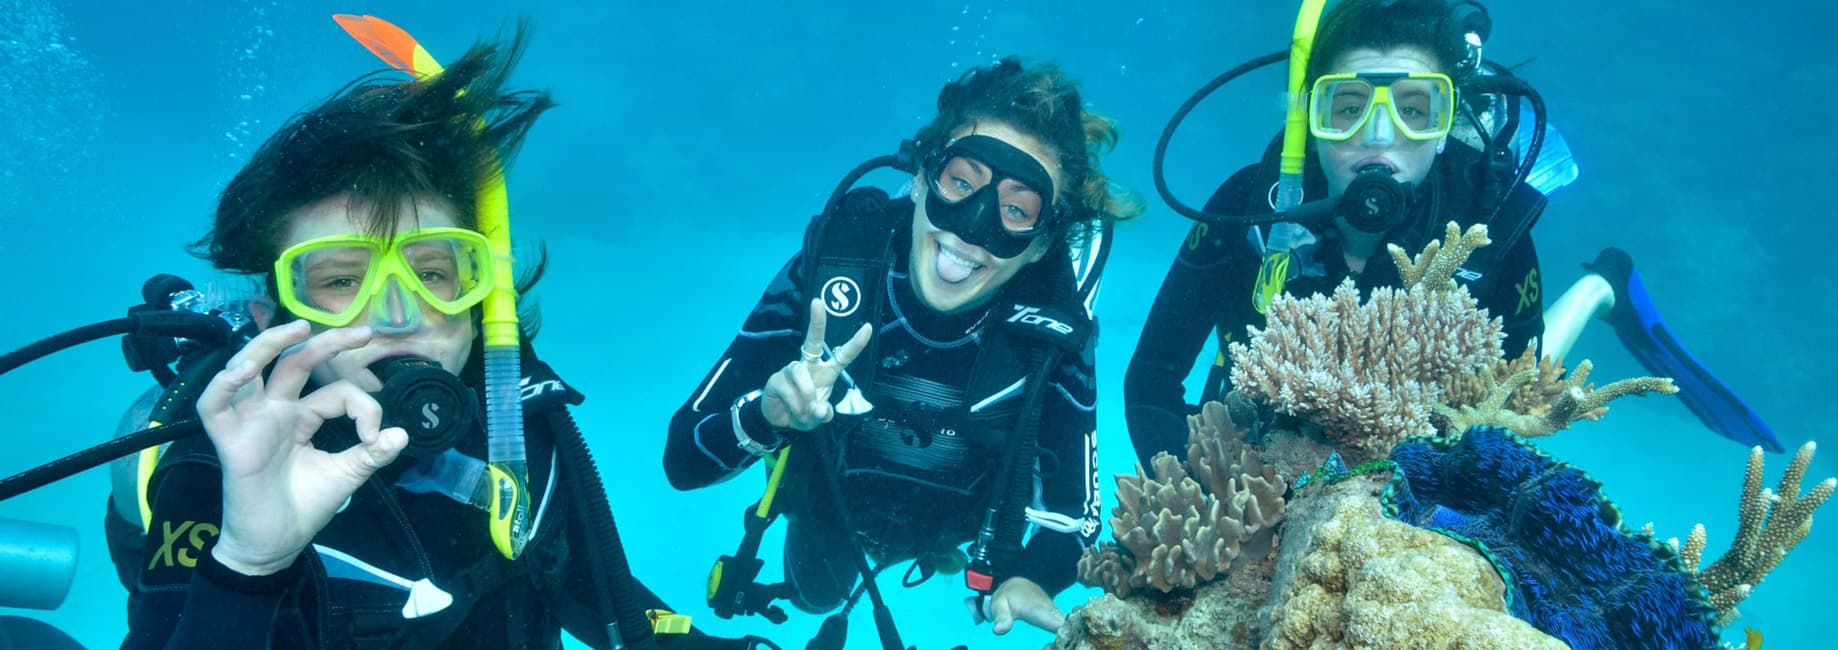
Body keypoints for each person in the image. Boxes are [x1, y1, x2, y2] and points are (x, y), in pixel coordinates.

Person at [113, 30, 756, 649]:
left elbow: (604, 599)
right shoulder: (218, 468)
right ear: (271, 317)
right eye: (341, 280)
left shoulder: (518, 425)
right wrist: (249, 565)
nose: (398, 313)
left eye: (431, 272)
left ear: (482, 298)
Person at [664, 58, 1139, 639]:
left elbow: (1072, 516)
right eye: (960, 182)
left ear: (1040, 245)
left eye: (1017, 209)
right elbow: (682, 460)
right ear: (919, 180)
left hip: (961, 527)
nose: (971, 228)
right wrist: (765, 415)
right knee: (814, 594)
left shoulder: (1049, 331)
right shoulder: (837, 272)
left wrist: (1033, 579)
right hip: (830, 507)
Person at [1126, 0, 1554, 461]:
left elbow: (1515, 397)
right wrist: (1208, 498)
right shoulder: (1248, 208)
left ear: (1444, 127)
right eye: (1349, 108)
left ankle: (1598, 286)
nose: (1379, 134)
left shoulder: (1491, 221)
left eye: (1413, 110)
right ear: (1310, 119)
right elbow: (1152, 376)